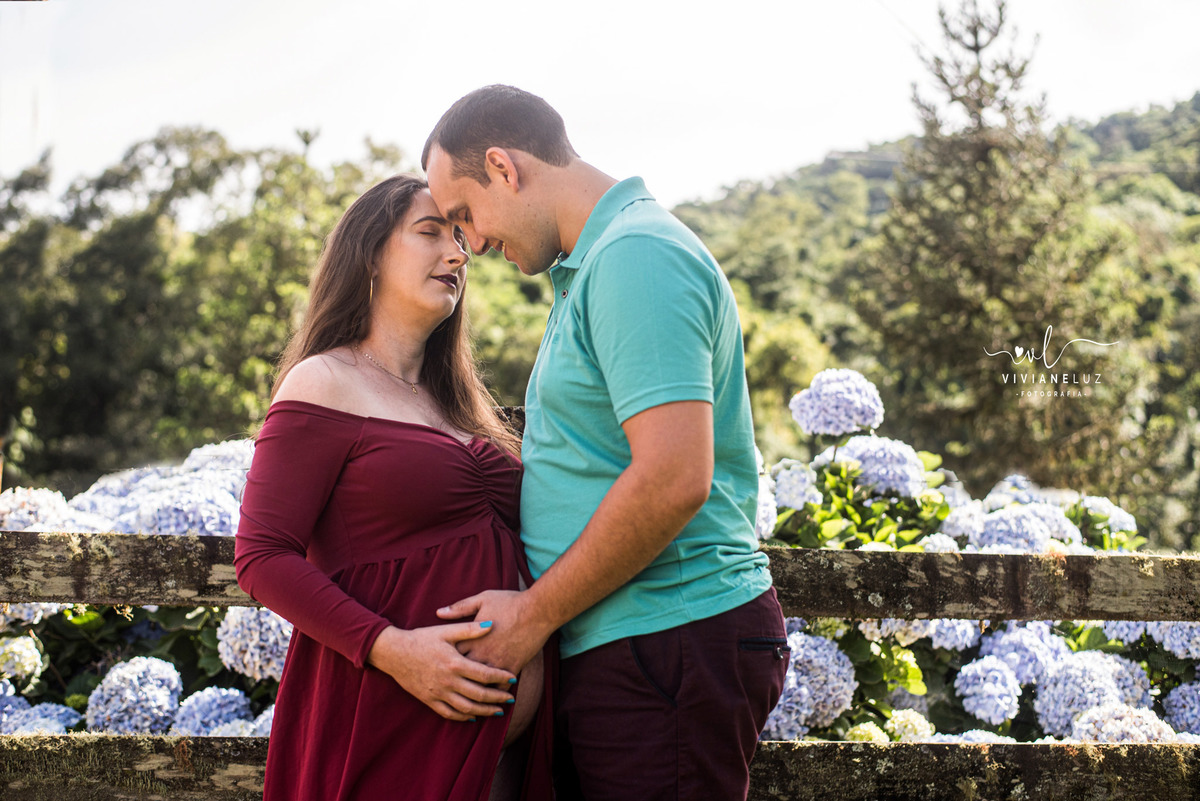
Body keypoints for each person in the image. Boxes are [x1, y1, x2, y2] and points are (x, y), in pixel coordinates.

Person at [422, 86, 789, 800]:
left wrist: (534, 614)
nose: (470, 244)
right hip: (640, 645)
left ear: (504, 165)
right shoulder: (592, 269)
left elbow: (675, 475)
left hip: (668, 640)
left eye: (464, 215)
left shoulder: (635, 258)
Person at [234, 174, 553, 801]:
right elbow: (261, 556)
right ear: (370, 256)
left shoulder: (460, 405)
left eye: (460, 237)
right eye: (430, 232)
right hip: (388, 717)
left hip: (501, 751)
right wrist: (393, 649)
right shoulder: (323, 381)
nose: (458, 253)